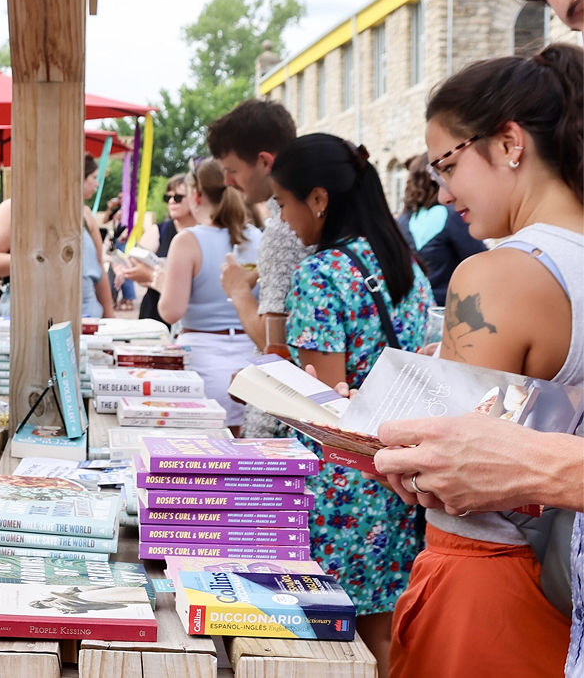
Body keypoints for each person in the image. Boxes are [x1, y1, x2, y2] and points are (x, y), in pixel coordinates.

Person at [364, 45, 584, 678]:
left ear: (510, 143)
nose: (443, 189)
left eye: (448, 163)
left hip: (485, 579)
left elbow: (444, 476)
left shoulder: (494, 275)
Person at [269, 134, 433, 677]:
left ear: (318, 198)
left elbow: (328, 405)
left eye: (284, 201)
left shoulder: (321, 276)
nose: (283, 218)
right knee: (384, 634)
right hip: (397, 475)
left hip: (340, 488)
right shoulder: (403, 262)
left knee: (331, 648)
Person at [122, 159, 261, 432]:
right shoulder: (257, 236)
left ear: (196, 195)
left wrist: (159, 280)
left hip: (203, 361)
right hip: (251, 360)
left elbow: (171, 311)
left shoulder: (187, 240)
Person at [206, 99, 305, 438]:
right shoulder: (301, 222)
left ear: (265, 162)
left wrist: (237, 290)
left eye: (232, 169)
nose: (229, 181)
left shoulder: (284, 228)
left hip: (280, 423)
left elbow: (273, 340)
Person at [0, 157, 114, 319]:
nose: (97, 184)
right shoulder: (14, 209)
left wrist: (110, 318)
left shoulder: (85, 215)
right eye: (94, 178)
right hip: (29, 319)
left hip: (87, 320)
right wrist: (37, 259)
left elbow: (99, 270)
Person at [395, 153, 486, 306]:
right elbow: (479, 259)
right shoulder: (452, 215)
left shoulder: (402, 220)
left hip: (417, 306)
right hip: (450, 307)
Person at [127, 174, 196, 326]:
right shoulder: (159, 230)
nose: (171, 202)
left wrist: (151, 275)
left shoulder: (203, 234)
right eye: (168, 198)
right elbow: (134, 266)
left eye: (178, 197)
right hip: (154, 312)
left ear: (195, 197)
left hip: (190, 315)